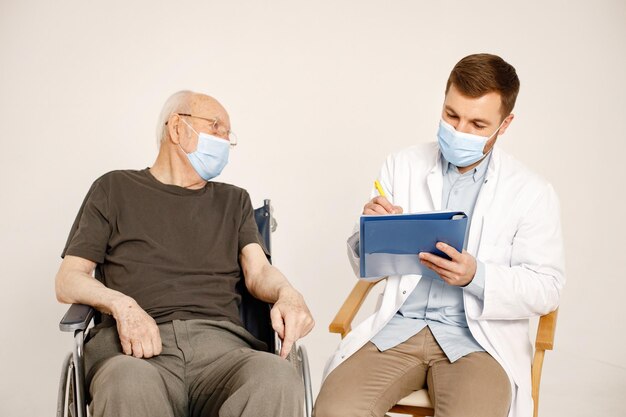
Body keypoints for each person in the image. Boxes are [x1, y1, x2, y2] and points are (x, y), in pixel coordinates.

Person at [314, 54, 565, 417]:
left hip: (477, 342)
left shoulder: (532, 192)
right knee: (334, 410)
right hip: (398, 330)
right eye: (451, 115)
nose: (459, 130)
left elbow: (547, 287)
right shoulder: (402, 165)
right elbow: (366, 266)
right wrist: (370, 230)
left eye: (478, 123)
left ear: (505, 124)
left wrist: (478, 276)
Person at [55, 90, 314, 417]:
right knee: (126, 381)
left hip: (222, 351)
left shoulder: (234, 202)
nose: (225, 139)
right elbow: (68, 280)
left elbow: (259, 271)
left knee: (276, 376)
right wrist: (122, 305)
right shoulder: (114, 189)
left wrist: (288, 293)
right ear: (177, 128)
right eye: (216, 126)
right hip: (136, 351)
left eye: (227, 134)